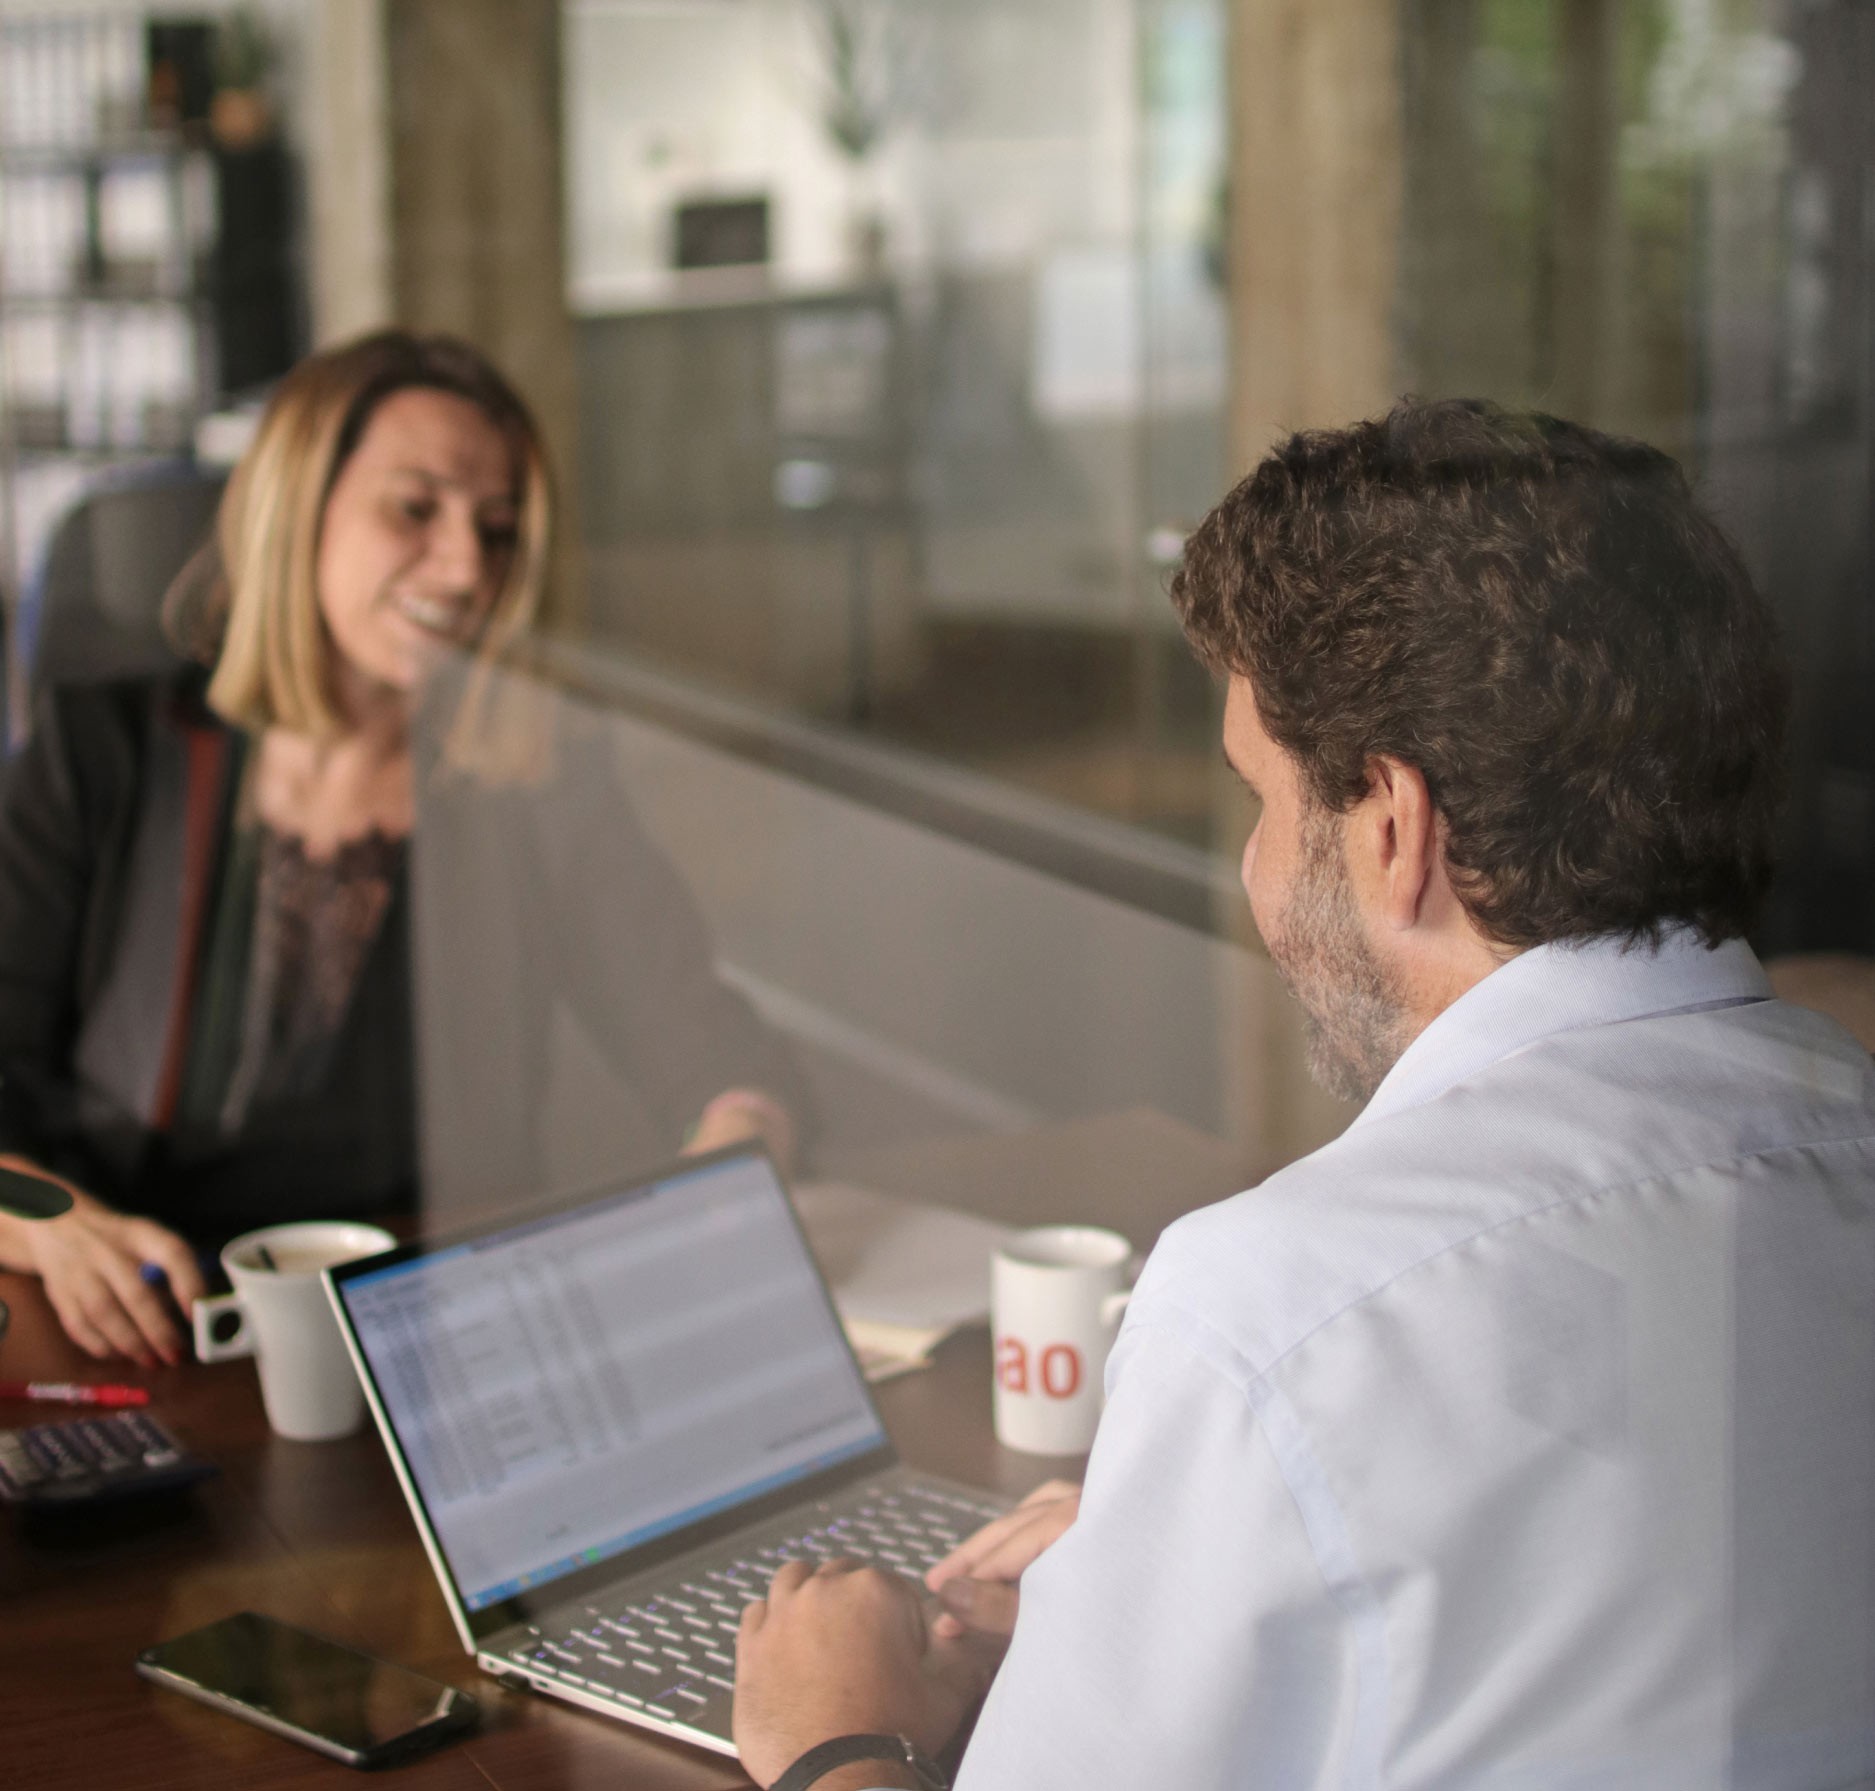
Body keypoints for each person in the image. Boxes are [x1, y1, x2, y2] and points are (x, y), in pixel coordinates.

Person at [729, 401, 1875, 1790]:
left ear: (1390, 829)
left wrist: (831, 1730)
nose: (1255, 875)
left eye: (1257, 800)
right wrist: (1223, 1542)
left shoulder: (1275, 1305)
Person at [0, 330, 808, 1372]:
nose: (467, 566)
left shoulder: (536, 782)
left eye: (500, 528)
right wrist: (48, 1221)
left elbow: (713, 1048)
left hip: (434, 1352)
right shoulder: (94, 754)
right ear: (300, 509)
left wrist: (735, 1151)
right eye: (414, 509)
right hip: (142, 1337)